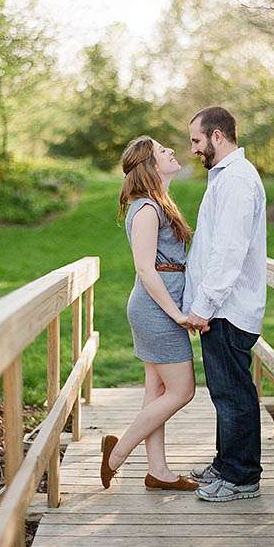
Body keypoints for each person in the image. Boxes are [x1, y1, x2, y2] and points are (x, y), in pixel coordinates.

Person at [100, 136, 199, 492]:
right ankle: (117, 454)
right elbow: (145, 269)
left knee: (157, 390)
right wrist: (176, 314)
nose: (171, 151)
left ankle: (158, 470)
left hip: (159, 308)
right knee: (182, 390)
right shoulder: (146, 209)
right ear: (149, 165)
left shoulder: (158, 204)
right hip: (156, 310)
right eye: (161, 151)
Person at [182, 105, 268, 502]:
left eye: (197, 140)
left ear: (218, 136)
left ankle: (242, 476)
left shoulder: (236, 181)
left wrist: (204, 304)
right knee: (225, 391)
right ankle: (225, 462)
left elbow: (229, 252)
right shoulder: (225, 178)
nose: (193, 149)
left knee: (234, 393)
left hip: (228, 308)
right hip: (221, 307)